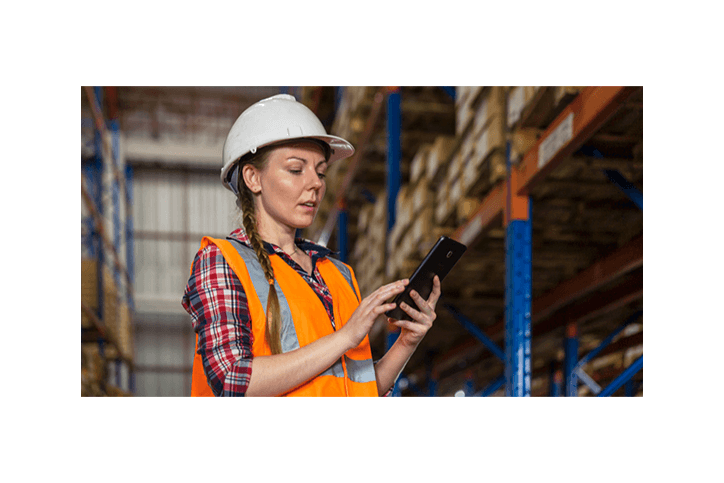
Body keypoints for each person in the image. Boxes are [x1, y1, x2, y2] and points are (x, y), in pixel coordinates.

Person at [182, 94, 441, 397]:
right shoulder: (222, 261)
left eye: (320, 172)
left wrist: (407, 342)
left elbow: (359, 390)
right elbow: (232, 380)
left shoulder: (338, 274)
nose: (316, 183)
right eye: (296, 169)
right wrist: (345, 337)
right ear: (253, 178)